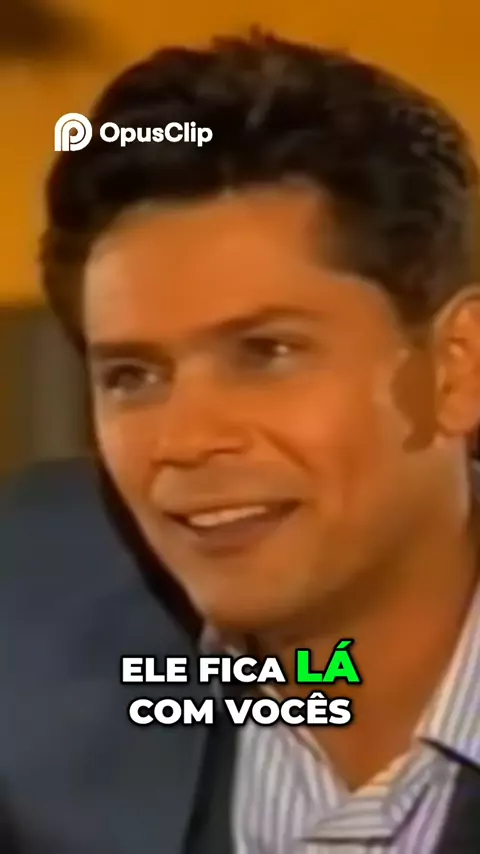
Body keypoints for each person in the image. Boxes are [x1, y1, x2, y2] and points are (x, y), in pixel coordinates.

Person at [2, 29, 480, 853]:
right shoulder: (27, 617)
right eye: (133, 376)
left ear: (456, 368)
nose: (184, 441)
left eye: (267, 353)